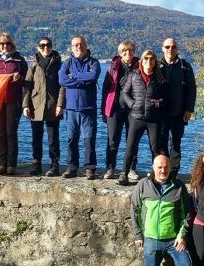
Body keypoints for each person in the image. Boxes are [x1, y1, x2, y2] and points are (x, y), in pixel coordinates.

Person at [130, 154, 195, 266]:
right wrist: (138, 234)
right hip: (151, 240)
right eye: (159, 167)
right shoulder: (143, 185)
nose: (163, 170)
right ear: (153, 168)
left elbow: (187, 214)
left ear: (170, 167)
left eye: (166, 167)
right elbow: (134, 210)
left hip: (173, 240)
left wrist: (182, 235)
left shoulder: (178, 187)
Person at [118, 50, 167, 186]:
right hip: (136, 117)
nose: (149, 61)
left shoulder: (159, 77)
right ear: (141, 61)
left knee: (155, 147)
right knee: (130, 146)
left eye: (152, 59)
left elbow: (167, 97)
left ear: (155, 61)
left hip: (153, 119)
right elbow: (124, 93)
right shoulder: (134, 75)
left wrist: (159, 103)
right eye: (146, 58)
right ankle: (124, 173)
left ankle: (157, 176)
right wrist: (132, 104)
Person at [58, 35, 101, 179]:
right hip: (71, 109)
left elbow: (93, 77)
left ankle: (89, 168)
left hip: (88, 108)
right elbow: (62, 80)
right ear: (71, 47)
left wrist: (74, 76)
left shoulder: (93, 63)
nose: (79, 47)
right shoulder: (67, 63)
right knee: (71, 139)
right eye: (76, 45)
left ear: (86, 45)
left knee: (89, 139)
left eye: (81, 44)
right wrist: (82, 79)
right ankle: (72, 167)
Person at [23, 37, 65, 176]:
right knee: (36, 137)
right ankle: (37, 165)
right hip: (36, 106)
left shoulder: (59, 64)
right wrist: (25, 106)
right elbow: (27, 87)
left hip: (53, 106)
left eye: (48, 45)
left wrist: (60, 105)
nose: (45, 48)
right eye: (42, 45)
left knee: (53, 139)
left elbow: (62, 87)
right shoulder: (33, 65)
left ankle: (54, 165)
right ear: (38, 47)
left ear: (52, 47)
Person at [0, 32, 28, 176]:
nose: (5, 46)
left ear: (11, 44)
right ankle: (1, 163)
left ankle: (11, 164)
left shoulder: (19, 59)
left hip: (13, 101)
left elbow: (27, 79)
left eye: (8, 44)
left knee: (11, 133)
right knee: (0, 133)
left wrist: (20, 77)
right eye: (2, 44)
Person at [101, 40, 139, 181]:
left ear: (134, 52)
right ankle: (110, 168)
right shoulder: (113, 67)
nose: (128, 53)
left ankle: (131, 169)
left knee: (132, 140)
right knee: (112, 140)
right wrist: (103, 110)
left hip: (133, 110)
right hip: (115, 108)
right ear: (120, 53)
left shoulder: (140, 66)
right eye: (125, 51)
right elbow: (106, 90)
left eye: (130, 50)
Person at [159, 38, 196, 178]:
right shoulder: (156, 65)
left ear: (177, 49)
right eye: (167, 46)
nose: (170, 49)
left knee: (176, 143)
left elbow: (192, 89)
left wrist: (189, 109)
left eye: (173, 47)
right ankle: (162, 171)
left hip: (179, 112)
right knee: (161, 143)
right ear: (162, 48)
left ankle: (173, 173)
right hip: (160, 113)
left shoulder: (184, 66)